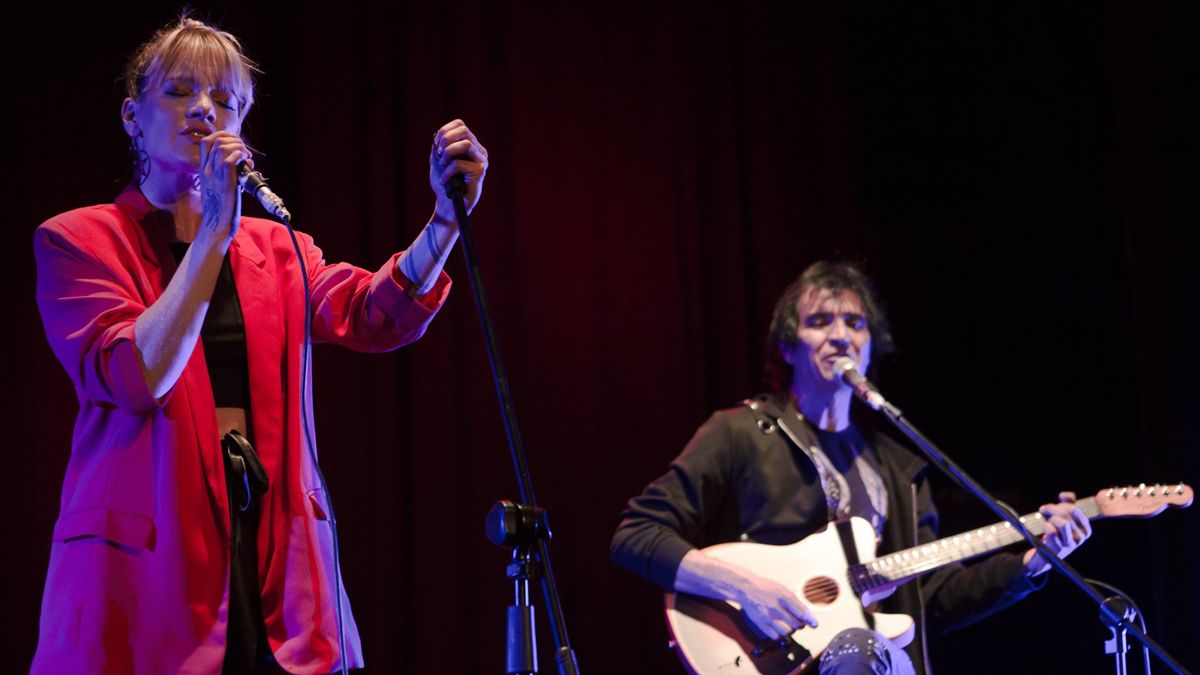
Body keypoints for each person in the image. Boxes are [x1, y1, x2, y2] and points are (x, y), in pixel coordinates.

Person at [31, 17, 487, 675]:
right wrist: (214, 229)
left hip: (274, 565)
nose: (203, 111)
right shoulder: (79, 240)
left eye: (224, 101)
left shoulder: (279, 251)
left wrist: (446, 219)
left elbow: (372, 313)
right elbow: (137, 373)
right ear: (133, 116)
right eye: (181, 92)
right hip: (147, 578)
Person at [610, 261, 1092, 674]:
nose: (840, 335)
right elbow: (637, 535)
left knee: (866, 648)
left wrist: (1031, 565)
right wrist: (745, 587)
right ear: (787, 346)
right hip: (765, 657)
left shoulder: (899, 471)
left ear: (869, 347)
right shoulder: (739, 433)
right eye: (820, 321)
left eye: (855, 324)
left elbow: (933, 600)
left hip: (868, 660)